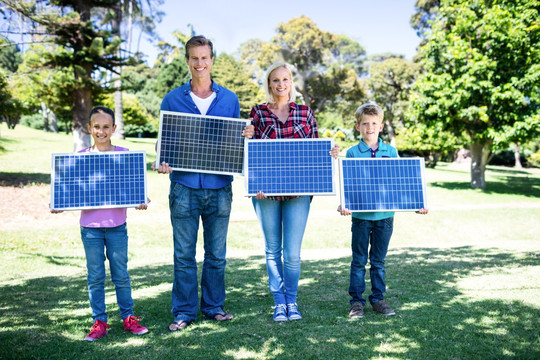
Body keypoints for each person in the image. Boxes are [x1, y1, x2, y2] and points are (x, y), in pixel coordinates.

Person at [153, 35, 254, 331]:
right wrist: (162, 159)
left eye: (204, 57)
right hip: (183, 187)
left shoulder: (230, 99)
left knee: (216, 254)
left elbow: (232, 143)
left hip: (219, 188)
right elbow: (165, 142)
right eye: (194, 58)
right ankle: (184, 311)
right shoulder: (172, 99)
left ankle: (213, 307)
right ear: (187, 61)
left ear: (212, 60)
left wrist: (245, 137)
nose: (200, 63)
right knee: (183, 254)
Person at [249, 62, 339, 321]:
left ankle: (292, 301)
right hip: (266, 193)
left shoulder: (305, 112)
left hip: (298, 192)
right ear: (269, 84)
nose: (281, 84)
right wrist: (254, 184)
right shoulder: (258, 113)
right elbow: (249, 152)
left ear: (291, 83)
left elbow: (315, 151)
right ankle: (279, 303)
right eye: (275, 80)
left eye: (285, 79)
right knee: (272, 250)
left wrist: (329, 153)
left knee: (292, 253)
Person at [51, 106, 149, 341]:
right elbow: (70, 191)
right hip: (90, 230)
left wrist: (142, 199)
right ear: (89, 128)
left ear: (114, 128)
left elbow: (135, 187)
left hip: (117, 227)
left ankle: (129, 318)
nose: (101, 131)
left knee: (121, 275)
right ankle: (99, 322)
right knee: (95, 276)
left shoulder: (124, 154)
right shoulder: (81, 158)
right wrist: (59, 202)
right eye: (97, 126)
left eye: (106, 127)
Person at [337, 102, 428, 318]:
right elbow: (349, 184)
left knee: (378, 261)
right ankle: (356, 302)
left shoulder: (391, 151)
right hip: (360, 217)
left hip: (385, 218)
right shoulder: (352, 153)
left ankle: (378, 299)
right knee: (358, 261)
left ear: (381, 125)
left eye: (374, 123)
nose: (370, 127)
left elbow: (400, 183)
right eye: (365, 123)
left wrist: (417, 204)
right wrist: (344, 204)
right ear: (358, 126)